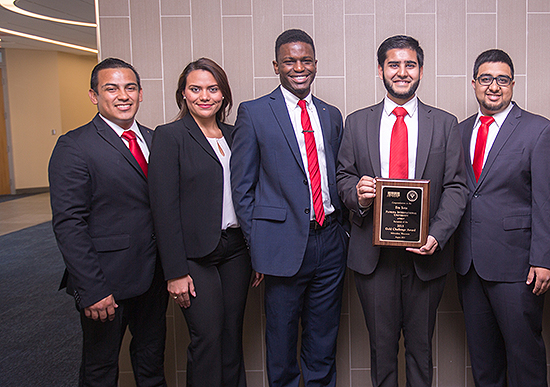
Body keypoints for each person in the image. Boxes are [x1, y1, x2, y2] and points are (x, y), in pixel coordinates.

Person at [336, 35, 468, 387]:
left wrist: (437, 235)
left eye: (410, 64)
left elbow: (457, 186)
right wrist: (358, 195)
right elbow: (343, 178)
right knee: (381, 349)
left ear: (421, 70)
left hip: (425, 255)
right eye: (394, 64)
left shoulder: (444, 123)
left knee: (421, 348)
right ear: (380, 69)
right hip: (373, 255)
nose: (402, 72)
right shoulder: (357, 122)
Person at [230, 29, 347, 387]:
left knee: (323, 339)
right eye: (290, 61)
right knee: (281, 342)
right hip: (280, 246)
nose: (299, 67)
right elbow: (242, 188)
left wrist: (341, 231)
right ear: (276, 65)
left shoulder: (330, 114)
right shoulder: (253, 113)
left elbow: (337, 176)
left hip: (329, 242)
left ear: (315, 64)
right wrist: (258, 247)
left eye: (306, 60)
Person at [49, 58, 168, 387]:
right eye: (111, 88)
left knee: (151, 363)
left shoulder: (156, 139)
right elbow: (69, 223)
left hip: (153, 278)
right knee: (100, 369)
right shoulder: (75, 146)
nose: (122, 95)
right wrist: (92, 289)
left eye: (130, 87)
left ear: (141, 94)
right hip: (105, 284)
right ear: (93, 95)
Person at [453, 49, 550, 387]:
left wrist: (545, 260)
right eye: (486, 79)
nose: (494, 87)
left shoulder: (539, 131)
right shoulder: (459, 131)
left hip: (518, 266)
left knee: (524, 357)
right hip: (469, 264)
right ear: (474, 84)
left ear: (513, 84)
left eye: (502, 80)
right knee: (484, 361)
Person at [148, 58, 251, 387]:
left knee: (232, 337)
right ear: (183, 94)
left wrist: (257, 251)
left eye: (212, 88)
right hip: (194, 256)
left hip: (237, 250)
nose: (204, 96)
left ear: (223, 95)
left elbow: (250, 195)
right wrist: (175, 271)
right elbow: (163, 208)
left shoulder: (237, 136)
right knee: (207, 337)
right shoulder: (169, 136)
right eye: (195, 89)